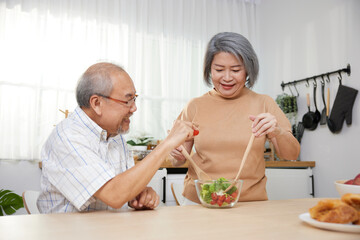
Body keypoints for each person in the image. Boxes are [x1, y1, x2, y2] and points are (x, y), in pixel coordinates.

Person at [37, 62, 197, 213]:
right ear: (97, 103)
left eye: (134, 98)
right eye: (127, 100)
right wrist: (167, 143)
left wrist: (138, 194)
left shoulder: (113, 135)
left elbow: (123, 188)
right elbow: (114, 195)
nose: (134, 108)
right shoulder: (68, 137)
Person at [170, 32, 300, 204]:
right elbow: (177, 159)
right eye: (219, 69)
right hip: (199, 201)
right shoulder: (195, 106)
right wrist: (176, 154)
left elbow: (291, 155)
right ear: (209, 69)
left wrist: (277, 131)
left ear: (248, 70)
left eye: (236, 70)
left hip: (250, 203)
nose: (227, 77)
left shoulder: (264, 103)